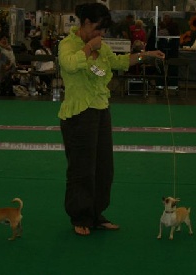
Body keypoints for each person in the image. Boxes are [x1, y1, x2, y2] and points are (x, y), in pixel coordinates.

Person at [58, 2, 164, 236]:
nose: (101, 34)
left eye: (104, 30)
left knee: (104, 169)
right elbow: (70, 64)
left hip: (100, 110)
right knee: (81, 169)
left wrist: (146, 56)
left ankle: (96, 214)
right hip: (78, 114)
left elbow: (118, 62)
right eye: (98, 29)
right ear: (85, 23)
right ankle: (80, 216)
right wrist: (88, 49)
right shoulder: (68, 45)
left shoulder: (102, 48)